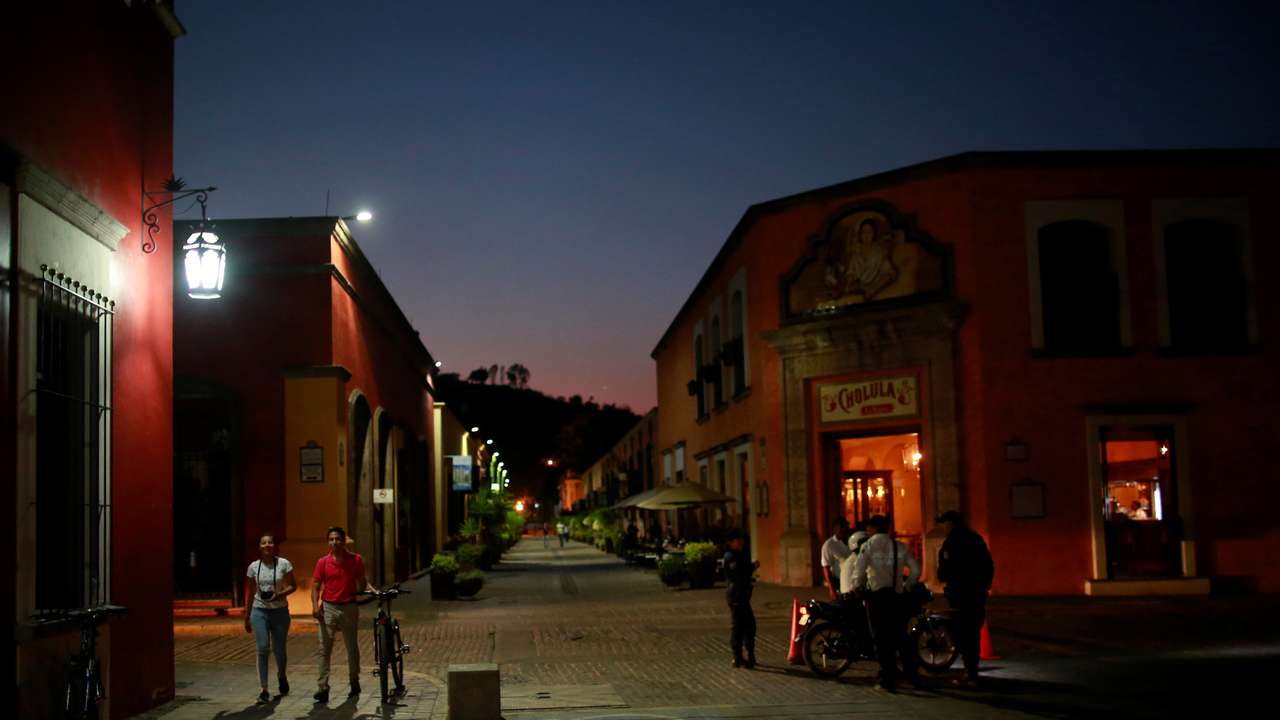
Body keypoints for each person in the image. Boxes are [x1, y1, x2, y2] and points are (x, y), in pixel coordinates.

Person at [852, 514, 922, 692]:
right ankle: (911, 675)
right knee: (900, 637)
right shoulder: (899, 546)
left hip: (877, 598)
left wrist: (857, 587)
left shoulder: (867, 546)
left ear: (873, 528)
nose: (867, 531)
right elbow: (915, 569)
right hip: (897, 597)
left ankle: (887, 678)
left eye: (869, 528)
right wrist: (907, 586)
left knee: (881, 639)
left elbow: (859, 571)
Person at [310, 526, 373, 703]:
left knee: (351, 647)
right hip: (328, 607)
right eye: (331, 539)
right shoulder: (323, 562)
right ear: (328, 542)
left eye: (337, 539)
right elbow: (315, 586)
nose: (334, 542)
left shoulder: (355, 560)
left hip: (349, 607)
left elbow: (362, 582)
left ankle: (354, 681)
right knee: (324, 649)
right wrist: (315, 606)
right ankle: (323, 687)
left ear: (344, 541)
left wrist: (366, 590)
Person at [936, 510, 994, 688]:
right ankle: (972, 671)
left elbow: (944, 570)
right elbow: (988, 565)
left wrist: (945, 577)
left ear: (951, 524)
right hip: (976, 593)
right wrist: (984, 586)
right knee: (973, 631)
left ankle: (970, 674)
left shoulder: (952, 543)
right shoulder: (976, 539)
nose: (942, 527)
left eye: (944, 523)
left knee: (962, 632)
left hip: (960, 594)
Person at [244, 533, 296, 704]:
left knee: (279, 649)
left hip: (279, 611)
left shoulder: (284, 564)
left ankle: (281, 675)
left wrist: (278, 594)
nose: (267, 545)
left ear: (274, 545)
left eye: (270, 542)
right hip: (259, 610)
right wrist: (247, 615)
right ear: (259, 547)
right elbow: (251, 592)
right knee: (263, 648)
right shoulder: (253, 567)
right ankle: (264, 688)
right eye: (263, 543)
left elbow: (292, 586)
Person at [723, 528, 759, 669]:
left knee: (748, 625)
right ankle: (738, 657)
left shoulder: (738, 554)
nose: (741, 542)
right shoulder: (730, 556)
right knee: (739, 627)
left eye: (741, 540)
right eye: (738, 540)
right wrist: (752, 567)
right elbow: (739, 574)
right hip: (736, 595)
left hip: (741, 595)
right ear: (731, 542)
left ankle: (746, 655)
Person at [820, 517, 852, 600]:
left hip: (853, 581)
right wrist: (832, 589)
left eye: (845, 527)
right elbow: (826, 568)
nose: (844, 530)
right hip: (839, 582)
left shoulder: (852, 541)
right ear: (835, 529)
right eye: (841, 528)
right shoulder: (829, 545)